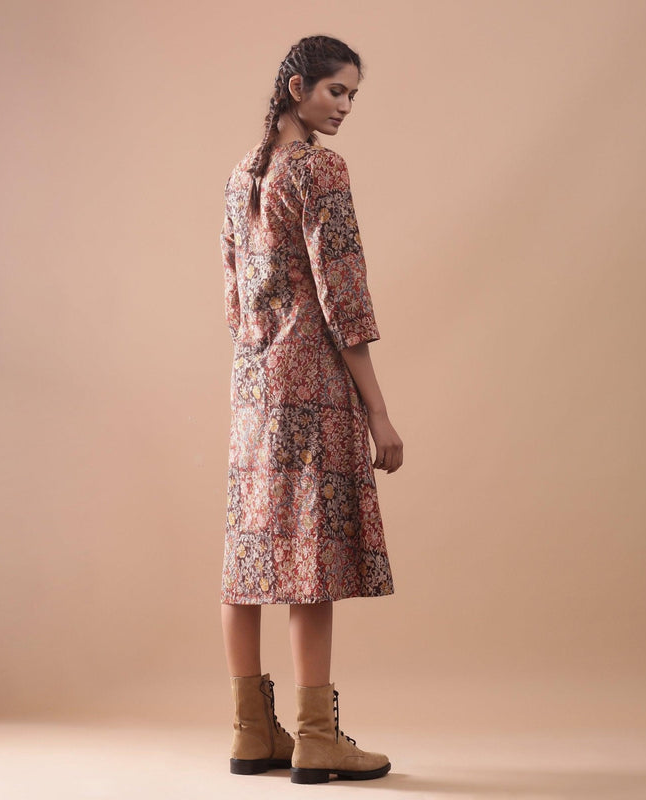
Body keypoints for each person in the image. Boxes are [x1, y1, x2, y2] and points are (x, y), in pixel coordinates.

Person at [219, 35, 403, 785]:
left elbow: (231, 299)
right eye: (337, 92)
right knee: (310, 567)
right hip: (314, 388)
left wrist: (260, 355)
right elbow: (345, 299)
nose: (346, 107)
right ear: (298, 86)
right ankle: (314, 737)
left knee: (249, 559)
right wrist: (379, 415)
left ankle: (249, 735)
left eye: (354, 96)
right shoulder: (320, 170)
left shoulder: (240, 174)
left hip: (253, 390)